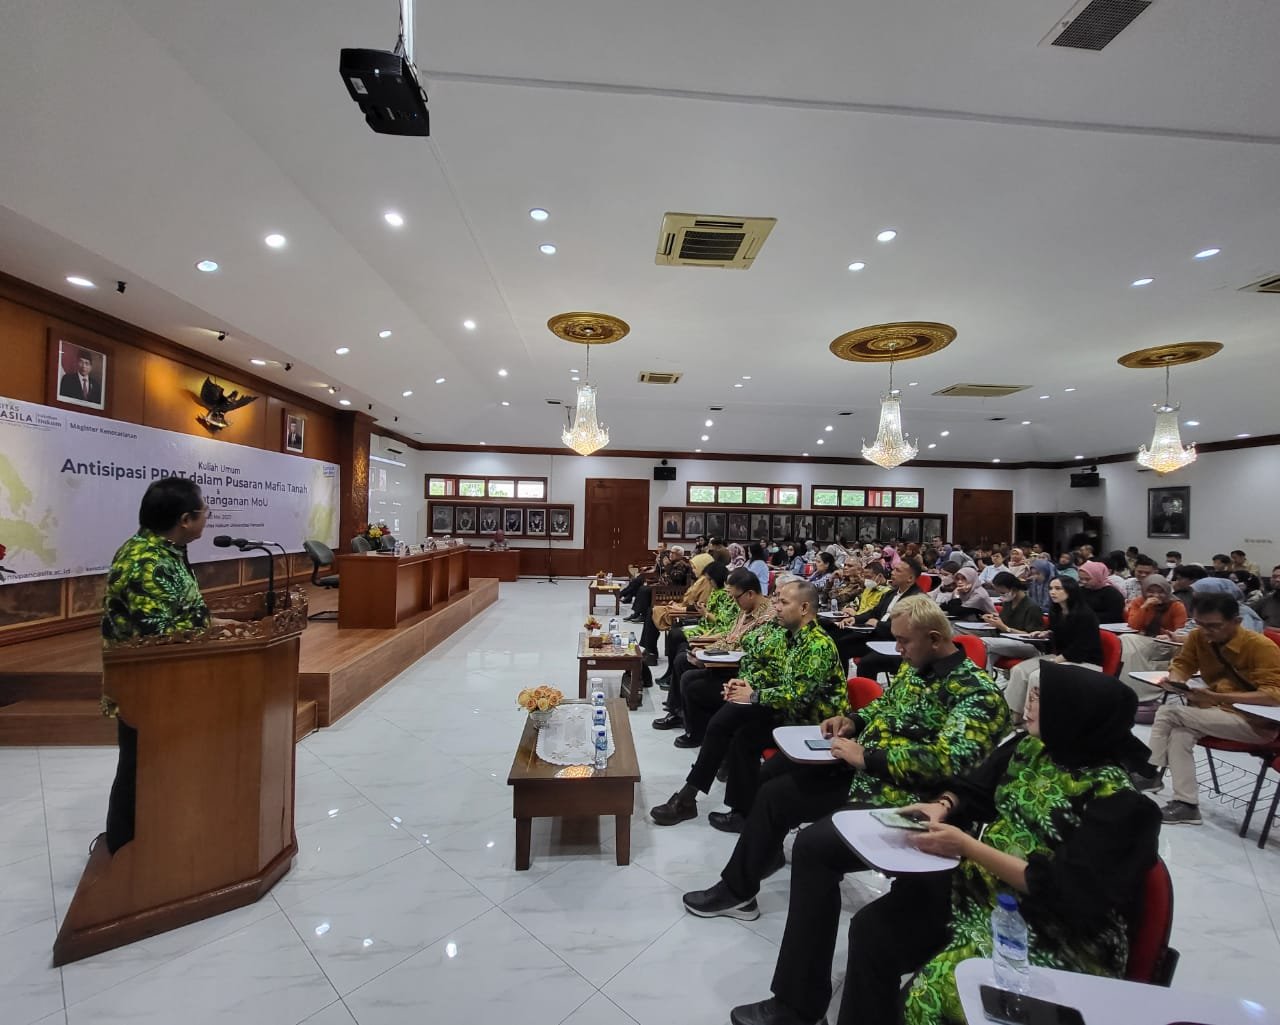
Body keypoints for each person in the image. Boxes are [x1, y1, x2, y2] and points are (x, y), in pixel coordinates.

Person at [730, 662, 1158, 1025]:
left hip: (1049, 933)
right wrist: (943, 805)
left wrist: (968, 848)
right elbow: (974, 788)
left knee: (926, 997)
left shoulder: (1121, 803)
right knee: (873, 928)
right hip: (981, 895)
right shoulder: (1032, 748)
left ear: (1076, 717)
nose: (1028, 701)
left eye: (1043, 698)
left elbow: (1070, 891)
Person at [682, 595, 1009, 923]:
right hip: (866, 769)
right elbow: (884, 704)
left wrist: (867, 756)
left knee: (800, 827)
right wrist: (854, 720)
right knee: (773, 785)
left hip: (906, 792)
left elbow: (948, 763)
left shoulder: (976, 693)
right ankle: (743, 883)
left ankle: (742, 880)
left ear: (935, 640)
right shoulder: (916, 668)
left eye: (903, 641)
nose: (898, 650)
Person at [650, 580, 844, 827]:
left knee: (733, 723)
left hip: (811, 723)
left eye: (784, 602)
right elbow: (777, 674)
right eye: (777, 600)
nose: (777, 607)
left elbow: (799, 694)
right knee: (735, 728)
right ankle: (723, 806)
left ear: (804, 607)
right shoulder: (792, 637)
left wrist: (753, 696)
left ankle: (697, 799)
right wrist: (745, 686)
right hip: (787, 711)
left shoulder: (817, 644)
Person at [101, 478, 216, 853]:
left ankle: (163, 846)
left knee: (160, 767)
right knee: (139, 769)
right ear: (185, 519)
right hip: (147, 687)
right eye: (204, 513)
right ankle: (127, 857)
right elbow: (157, 637)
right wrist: (206, 631)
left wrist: (213, 623)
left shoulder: (167, 550)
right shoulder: (146, 561)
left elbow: (178, 611)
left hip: (172, 685)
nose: (207, 519)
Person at [1136, 590, 1280, 825]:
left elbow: (1274, 696)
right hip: (1216, 713)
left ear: (1237, 622)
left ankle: (1150, 773)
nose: (1205, 631)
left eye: (1213, 626)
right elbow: (1183, 663)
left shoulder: (1261, 646)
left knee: (1169, 712)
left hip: (1255, 721)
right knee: (1181, 734)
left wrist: (1215, 696)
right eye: (1200, 624)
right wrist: (1176, 681)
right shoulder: (1198, 637)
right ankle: (1187, 804)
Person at [653, 567, 777, 731]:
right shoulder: (745, 609)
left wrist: (708, 656)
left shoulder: (769, 618)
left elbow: (746, 651)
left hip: (738, 669)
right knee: (684, 658)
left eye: (736, 597)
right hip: (725, 658)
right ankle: (678, 713)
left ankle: (692, 726)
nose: (733, 601)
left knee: (690, 678)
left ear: (750, 594)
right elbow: (729, 637)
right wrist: (706, 651)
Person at [1003, 575, 1102, 719]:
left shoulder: (1085, 615)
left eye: (1058, 588)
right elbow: (1060, 632)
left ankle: (1033, 719)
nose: (1052, 592)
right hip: (1062, 656)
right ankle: (1013, 715)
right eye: (1050, 588)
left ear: (1070, 591)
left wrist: (1056, 661)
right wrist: (1046, 633)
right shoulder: (1056, 611)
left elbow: (1081, 646)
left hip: (1085, 661)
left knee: (1038, 675)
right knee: (1019, 670)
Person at [1119, 573, 1186, 694]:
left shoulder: (1176, 605)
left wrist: (1169, 636)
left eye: (1161, 592)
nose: (1156, 595)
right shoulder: (1138, 602)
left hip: (1168, 643)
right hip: (1147, 639)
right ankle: (1128, 684)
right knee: (1125, 639)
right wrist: (1145, 607)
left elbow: (1181, 630)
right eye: (1151, 591)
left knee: (1129, 642)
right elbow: (1133, 625)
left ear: (1167, 591)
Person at [979, 571, 1046, 670]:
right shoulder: (1008, 603)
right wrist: (994, 620)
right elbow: (1003, 621)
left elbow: (1031, 636)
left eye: (1002, 592)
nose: (1001, 596)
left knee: (983, 643)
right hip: (1007, 641)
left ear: (1013, 589)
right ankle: (986, 682)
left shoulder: (1032, 607)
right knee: (987, 654)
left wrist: (1005, 628)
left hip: (1028, 645)